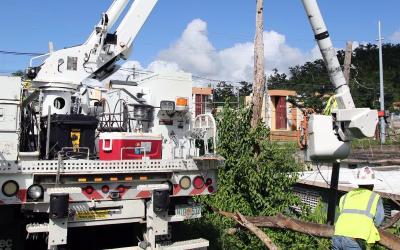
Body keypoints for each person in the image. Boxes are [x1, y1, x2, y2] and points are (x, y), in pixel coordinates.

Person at [332, 166, 385, 250]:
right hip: (354, 239)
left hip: (337, 236)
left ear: (358, 183)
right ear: (372, 184)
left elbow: (343, 214)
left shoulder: (345, 196)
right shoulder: (375, 197)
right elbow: (379, 219)